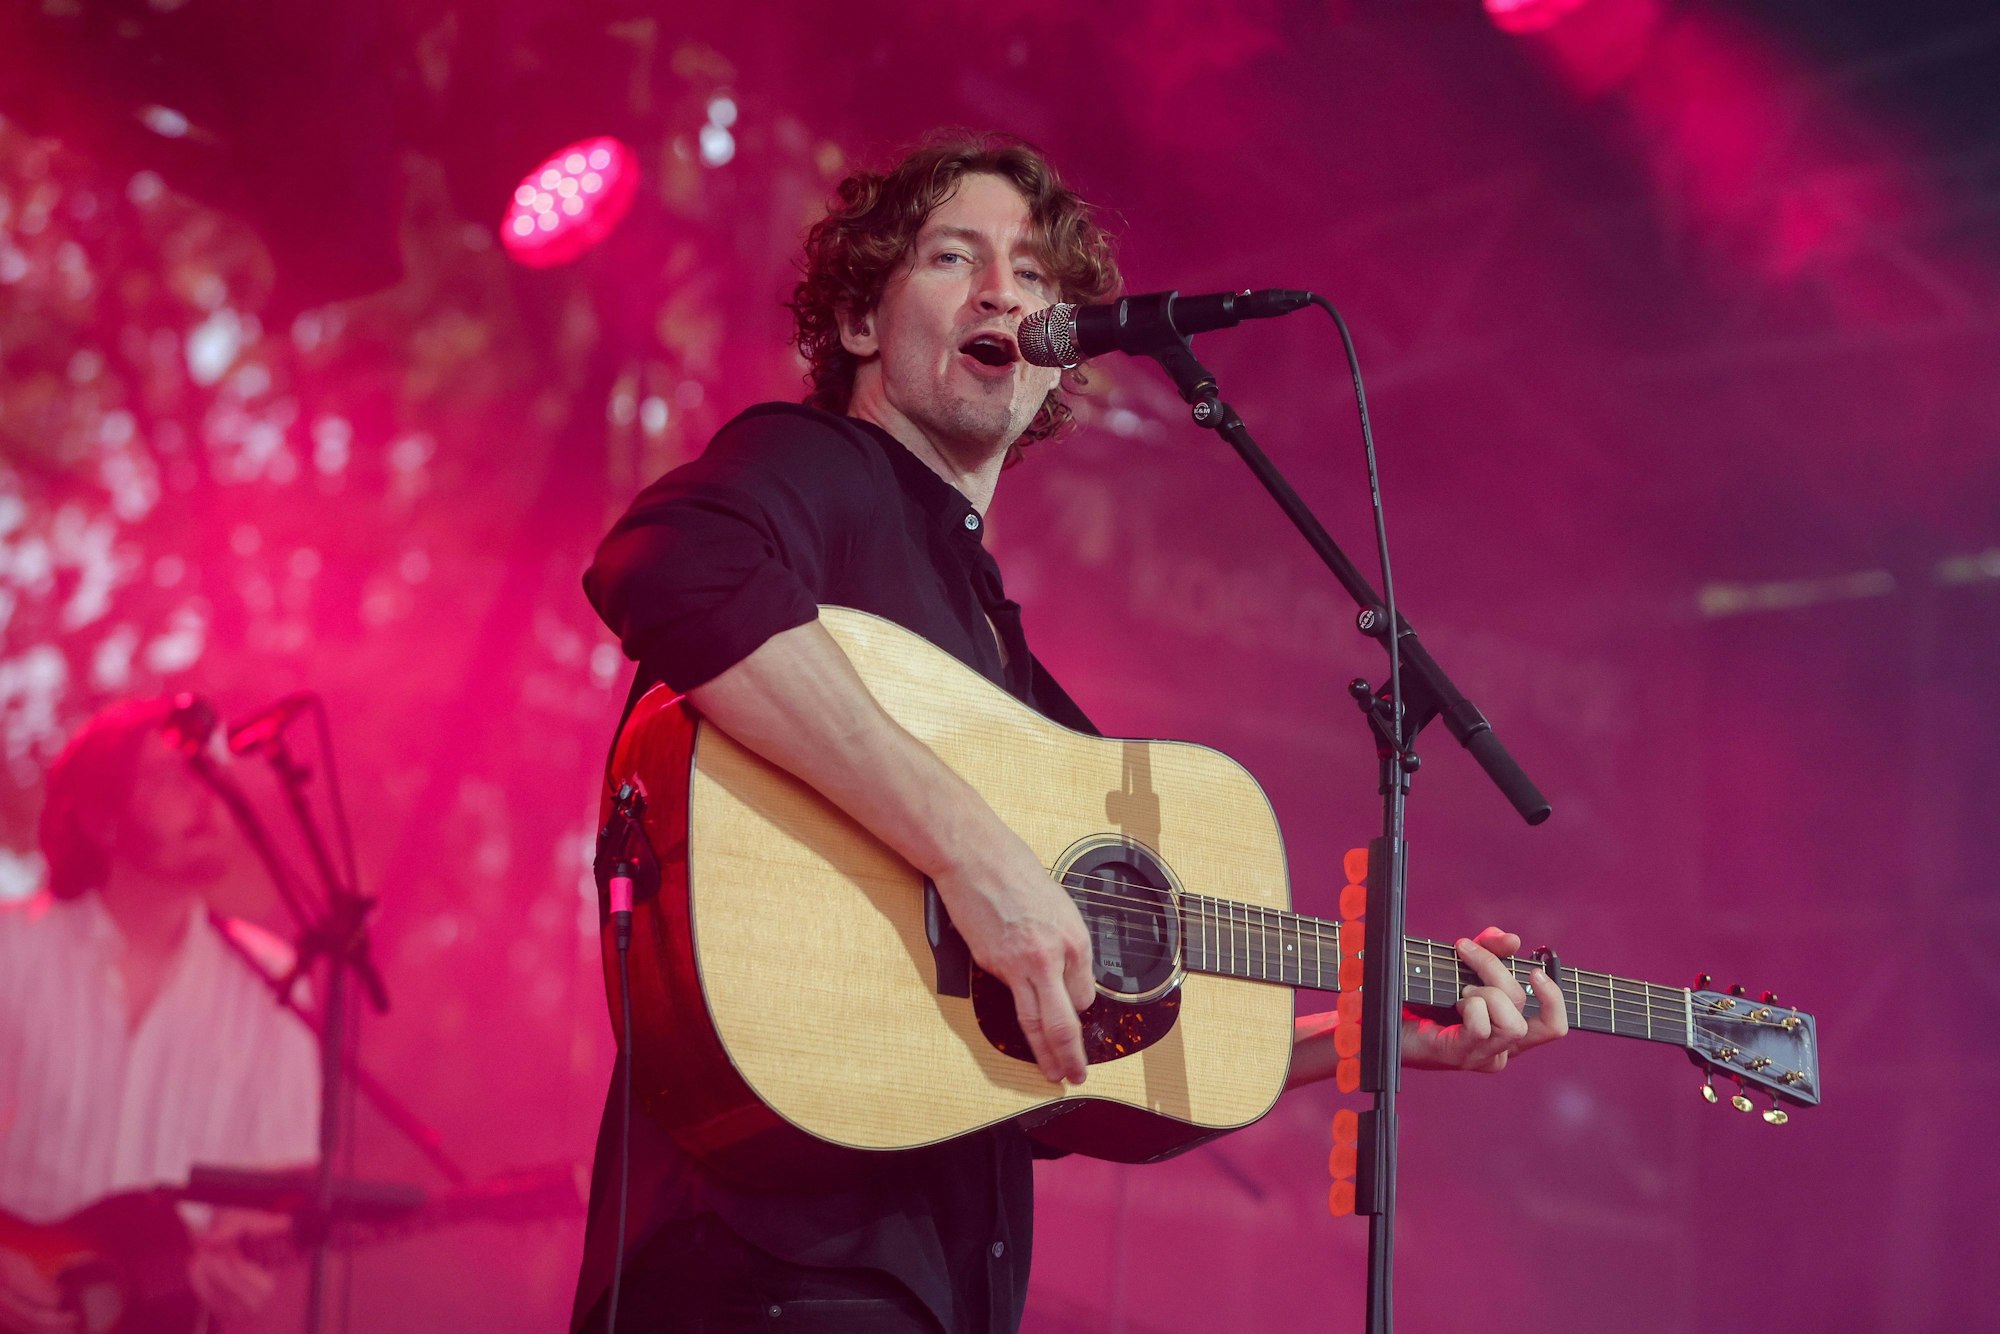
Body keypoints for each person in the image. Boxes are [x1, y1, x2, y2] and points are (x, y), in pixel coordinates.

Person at [572, 131, 1568, 1333]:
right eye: (955, 257)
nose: (1007, 292)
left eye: (1039, 276)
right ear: (856, 328)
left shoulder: (999, 668)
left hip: (922, 1281)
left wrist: (1368, 1036)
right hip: (763, 1263)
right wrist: (967, 851)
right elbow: (669, 563)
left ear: (1059, 362)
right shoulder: (817, 466)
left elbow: (1081, 1062)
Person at [0, 697, 320, 1333]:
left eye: (213, 770)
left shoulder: (277, 986)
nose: (206, 792)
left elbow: (280, 1198)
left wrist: (250, 1252)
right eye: (171, 774)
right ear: (99, 818)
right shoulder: (13, 954)